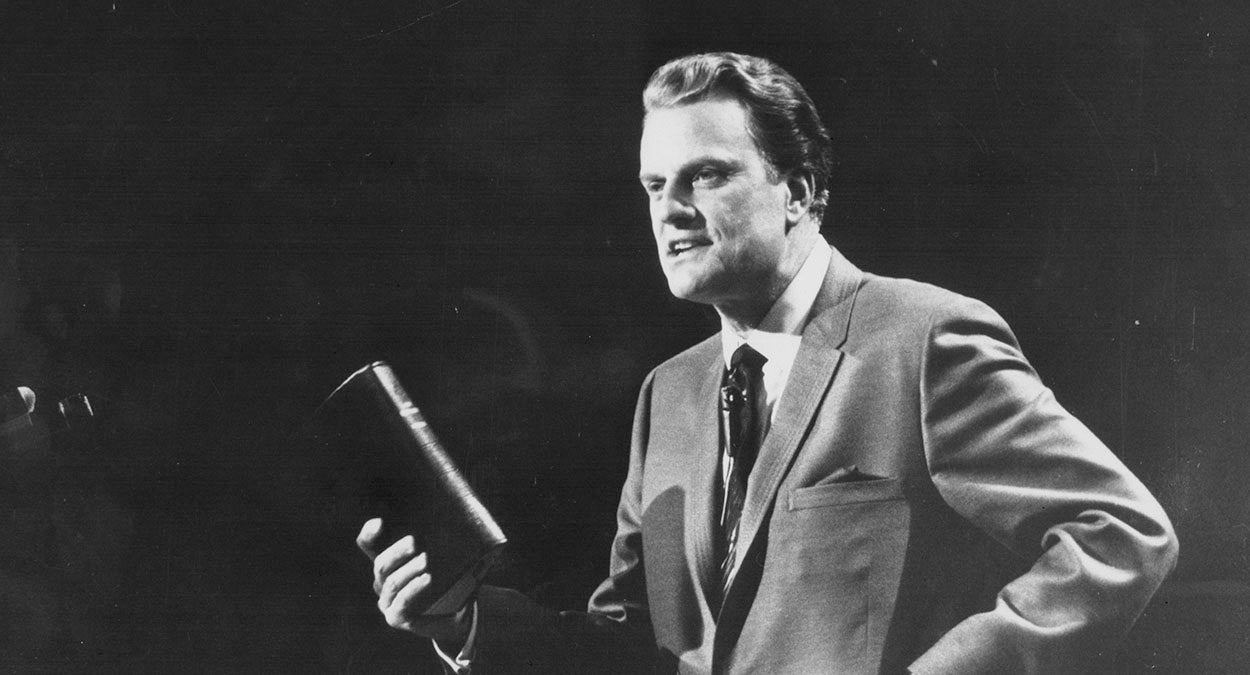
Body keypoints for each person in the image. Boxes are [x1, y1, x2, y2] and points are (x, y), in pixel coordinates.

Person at [356, 51, 1178, 674]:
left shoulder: (923, 340)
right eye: (653, 185)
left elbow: (1122, 535)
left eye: (706, 176)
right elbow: (638, 644)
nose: (670, 211)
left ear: (801, 192)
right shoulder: (668, 394)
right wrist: (464, 621)